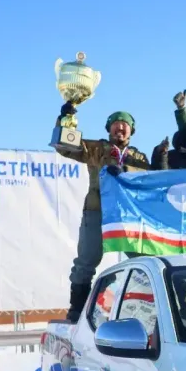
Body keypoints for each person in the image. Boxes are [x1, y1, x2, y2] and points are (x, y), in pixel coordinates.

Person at [53, 103, 154, 322]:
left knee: (146, 261)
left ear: (131, 131)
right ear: (109, 129)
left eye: (125, 125)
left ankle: (147, 309)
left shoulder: (140, 158)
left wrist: (160, 161)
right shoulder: (97, 149)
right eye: (116, 124)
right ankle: (76, 311)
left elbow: (150, 186)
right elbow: (65, 146)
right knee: (86, 262)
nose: (120, 128)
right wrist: (66, 118)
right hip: (97, 212)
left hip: (128, 218)